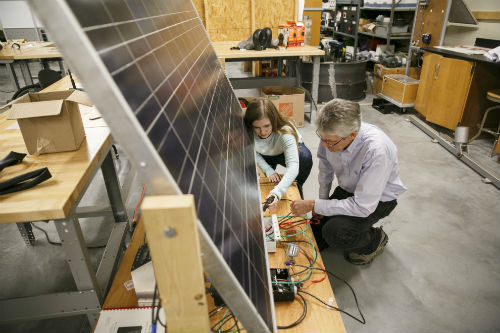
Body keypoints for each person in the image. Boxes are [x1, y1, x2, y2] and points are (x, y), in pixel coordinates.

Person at [290, 98, 406, 265]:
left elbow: (363, 206)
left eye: (329, 141)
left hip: (377, 201)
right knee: (315, 232)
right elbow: (325, 169)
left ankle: (374, 240)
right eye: (321, 137)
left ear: (352, 134)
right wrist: (322, 201)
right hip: (349, 190)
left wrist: (314, 205)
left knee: (335, 233)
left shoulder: (376, 151)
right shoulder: (332, 135)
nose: (323, 144)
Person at [244, 98, 313, 211]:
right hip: (264, 153)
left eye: (267, 126)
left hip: (283, 152)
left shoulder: (285, 132)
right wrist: (268, 170)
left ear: (274, 120)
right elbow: (253, 152)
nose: (262, 132)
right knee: (266, 181)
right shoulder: (248, 130)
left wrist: (277, 192)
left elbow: (293, 167)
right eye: (257, 127)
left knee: (305, 158)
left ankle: (297, 187)